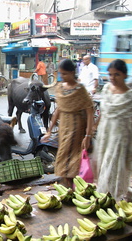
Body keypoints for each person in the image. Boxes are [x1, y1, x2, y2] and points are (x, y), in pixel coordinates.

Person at [42, 59, 94, 188]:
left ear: (72, 72)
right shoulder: (60, 88)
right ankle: (67, 186)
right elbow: (58, 110)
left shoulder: (80, 89)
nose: (62, 76)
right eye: (60, 74)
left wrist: (87, 136)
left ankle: (72, 186)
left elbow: (89, 112)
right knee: (63, 156)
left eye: (65, 74)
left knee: (73, 159)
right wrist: (49, 130)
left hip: (77, 128)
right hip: (63, 128)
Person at [94, 59, 132, 201]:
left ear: (125, 75)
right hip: (105, 135)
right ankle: (105, 196)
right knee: (103, 167)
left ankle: (113, 199)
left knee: (114, 170)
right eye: (110, 74)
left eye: (117, 74)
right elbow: (103, 111)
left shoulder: (131, 96)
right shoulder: (106, 89)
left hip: (120, 138)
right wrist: (96, 125)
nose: (112, 78)